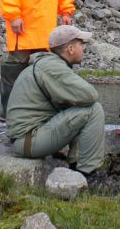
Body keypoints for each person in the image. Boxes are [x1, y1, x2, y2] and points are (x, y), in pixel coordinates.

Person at [6, 24, 105, 178]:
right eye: (81, 44)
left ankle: (76, 165)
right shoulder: (53, 68)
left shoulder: (46, 63)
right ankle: (86, 173)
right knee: (94, 110)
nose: (84, 48)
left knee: (80, 107)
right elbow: (91, 95)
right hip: (28, 142)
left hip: (25, 139)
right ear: (70, 49)